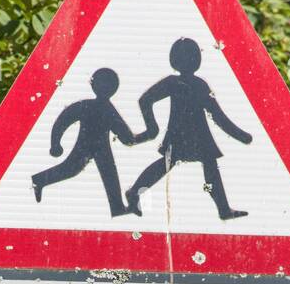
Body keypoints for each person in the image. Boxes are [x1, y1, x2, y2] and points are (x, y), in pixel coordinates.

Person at [125, 37, 252, 219]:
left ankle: (223, 209)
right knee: (183, 165)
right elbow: (217, 115)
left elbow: (216, 114)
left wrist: (241, 136)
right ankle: (135, 192)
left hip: (192, 134)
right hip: (186, 134)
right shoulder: (190, 84)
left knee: (199, 166)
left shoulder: (187, 83)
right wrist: (241, 136)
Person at [32, 68, 141, 217]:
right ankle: (38, 180)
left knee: (105, 173)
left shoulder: (93, 106)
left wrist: (55, 143)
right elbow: (64, 120)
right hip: (89, 146)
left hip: (99, 147)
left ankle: (117, 208)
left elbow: (126, 136)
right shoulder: (97, 107)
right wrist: (55, 143)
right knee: (73, 169)